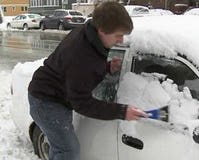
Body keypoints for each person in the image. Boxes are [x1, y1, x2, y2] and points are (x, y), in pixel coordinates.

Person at [28, 2, 147, 160]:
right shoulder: (80, 54)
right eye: (118, 35)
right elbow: (82, 103)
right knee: (68, 151)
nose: (121, 40)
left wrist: (106, 68)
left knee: (60, 149)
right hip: (46, 102)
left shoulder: (91, 35)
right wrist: (122, 112)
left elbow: (85, 69)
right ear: (102, 30)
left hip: (55, 94)